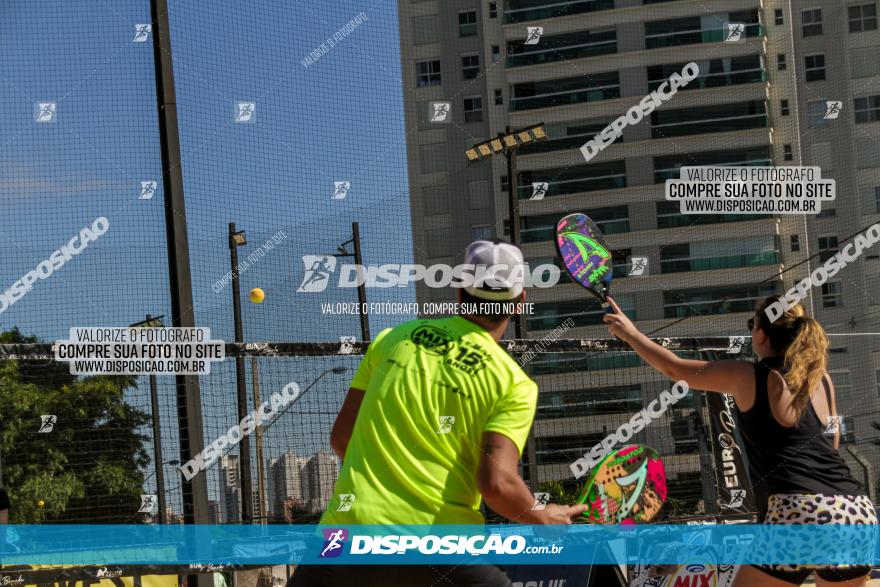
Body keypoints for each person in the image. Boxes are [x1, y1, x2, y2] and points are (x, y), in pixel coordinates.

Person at [289, 240, 587, 587]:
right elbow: (497, 484)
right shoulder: (513, 383)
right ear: (520, 302)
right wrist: (542, 517)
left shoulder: (392, 340)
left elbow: (342, 438)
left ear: (459, 291)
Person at [602, 294, 876, 587]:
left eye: (751, 324)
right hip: (855, 511)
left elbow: (676, 369)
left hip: (796, 511)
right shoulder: (821, 379)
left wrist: (630, 333)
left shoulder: (750, 375)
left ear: (761, 334)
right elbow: (833, 439)